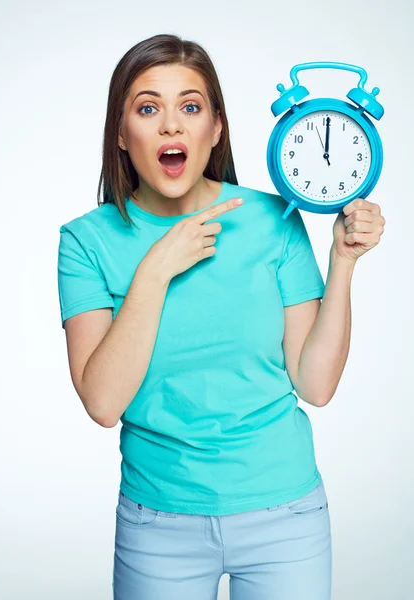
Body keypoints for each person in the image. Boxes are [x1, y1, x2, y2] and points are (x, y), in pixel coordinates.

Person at [57, 34, 386, 600]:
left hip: (286, 516)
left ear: (216, 127)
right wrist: (156, 269)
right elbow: (104, 403)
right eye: (147, 107)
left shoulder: (273, 220)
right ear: (120, 131)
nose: (171, 127)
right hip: (157, 524)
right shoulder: (85, 242)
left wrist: (344, 263)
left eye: (190, 106)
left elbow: (316, 384)